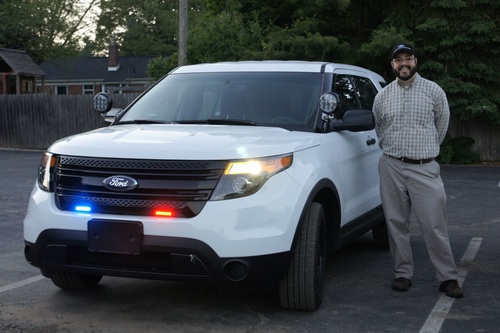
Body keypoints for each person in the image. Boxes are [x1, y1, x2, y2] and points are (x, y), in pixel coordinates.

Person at [372, 43, 464, 298]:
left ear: (415, 61)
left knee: (434, 225)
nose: (404, 63)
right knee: (396, 223)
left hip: (424, 167)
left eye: (408, 58)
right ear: (392, 65)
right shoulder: (382, 96)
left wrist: (425, 152)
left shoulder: (434, 91)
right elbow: (380, 129)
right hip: (390, 165)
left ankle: (447, 278)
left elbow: (441, 127)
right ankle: (402, 273)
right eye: (398, 59)